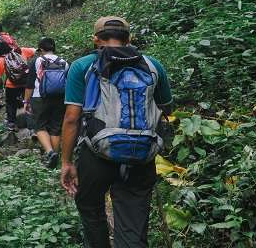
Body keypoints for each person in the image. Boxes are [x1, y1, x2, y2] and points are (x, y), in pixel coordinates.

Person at [60, 16, 173, 248]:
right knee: (133, 223)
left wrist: (67, 162)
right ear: (129, 39)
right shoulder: (152, 65)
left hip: (96, 155)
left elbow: (72, 118)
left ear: (95, 40)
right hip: (141, 156)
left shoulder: (82, 66)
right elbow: (166, 108)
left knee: (90, 208)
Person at [24, 37, 68, 168]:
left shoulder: (37, 61)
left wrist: (26, 101)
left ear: (41, 49)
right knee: (55, 128)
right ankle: (55, 161)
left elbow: (30, 84)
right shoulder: (64, 62)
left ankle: (50, 153)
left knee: (40, 127)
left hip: (40, 98)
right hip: (60, 98)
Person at [0, 41, 35, 131]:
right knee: (28, 102)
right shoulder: (21, 52)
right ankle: (32, 127)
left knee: (11, 104)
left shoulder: (0, 61)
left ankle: (11, 124)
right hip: (26, 83)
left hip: (11, 85)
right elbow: (34, 51)